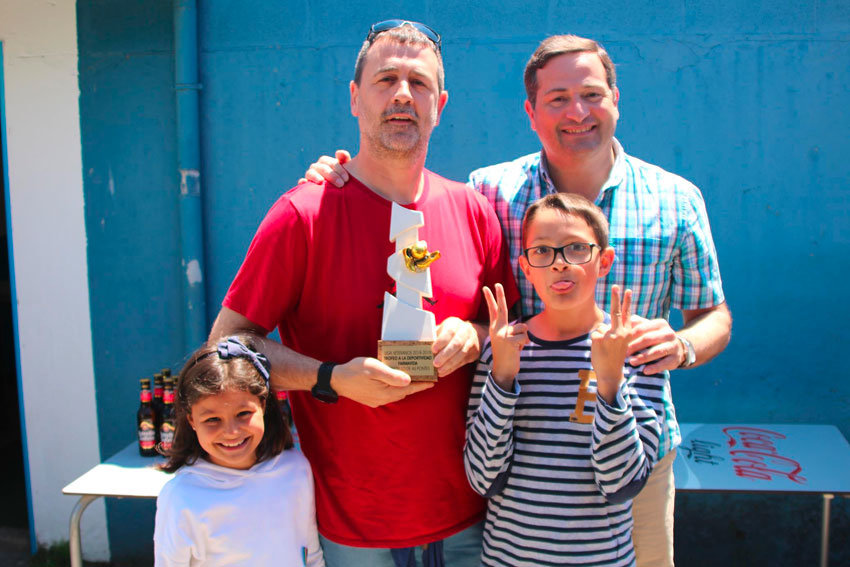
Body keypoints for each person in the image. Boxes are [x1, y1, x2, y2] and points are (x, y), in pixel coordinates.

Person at [303, 33, 731, 567]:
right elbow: (417, 210)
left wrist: (684, 346)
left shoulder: (676, 199)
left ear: (616, 99)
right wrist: (343, 175)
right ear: (531, 112)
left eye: (592, 94)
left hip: (633, 453)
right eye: (557, 98)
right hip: (522, 460)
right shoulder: (490, 192)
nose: (577, 112)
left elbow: (713, 314)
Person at [210, 20, 517, 567]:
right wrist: (328, 378)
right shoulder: (302, 215)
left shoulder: (473, 211)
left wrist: (475, 336)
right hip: (353, 526)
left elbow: (513, 329)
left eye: (419, 83)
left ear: (440, 105)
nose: (403, 94)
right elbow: (227, 347)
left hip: (473, 516)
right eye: (386, 79)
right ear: (355, 98)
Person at [466, 193, 665, 566]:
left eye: (576, 248)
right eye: (542, 251)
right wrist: (503, 378)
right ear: (526, 268)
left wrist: (610, 382)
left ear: (604, 261)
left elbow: (622, 483)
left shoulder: (635, 350)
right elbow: (482, 478)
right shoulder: (504, 347)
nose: (559, 263)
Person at [154, 335, 324, 567]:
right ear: (191, 420)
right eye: (212, 419)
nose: (231, 432)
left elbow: (311, 553)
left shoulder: (296, 470)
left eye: (243, 414)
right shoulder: (180, 497)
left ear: (263, 405)